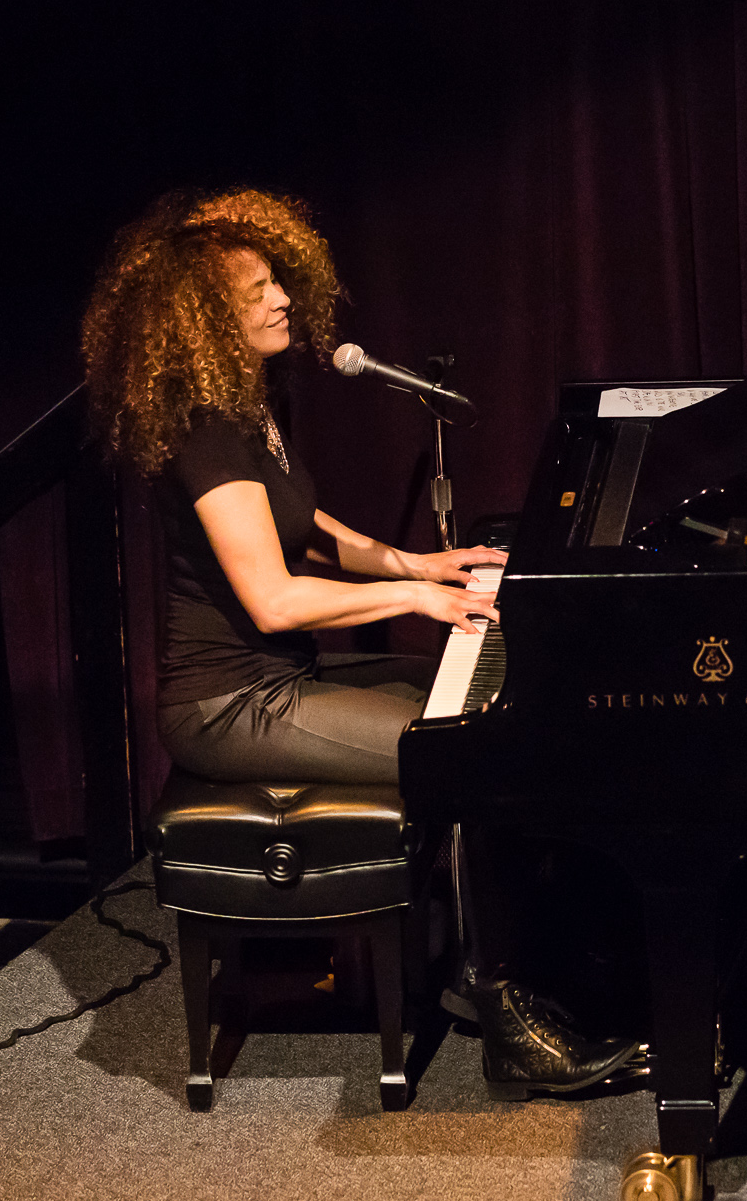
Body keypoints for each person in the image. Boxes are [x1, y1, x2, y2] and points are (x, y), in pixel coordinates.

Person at [80, 187, 639, 1098]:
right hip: (230, 704)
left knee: (474, 701)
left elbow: (306, 527)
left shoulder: (252, 403)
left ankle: (533, 960)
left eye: (276, 281)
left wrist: (419, 557)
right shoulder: (203, 425)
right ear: (200, 318)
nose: (281, 300)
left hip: (278, 679)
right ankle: (512, 1020)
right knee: (474, 751)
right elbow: (271, 598)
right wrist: (414, 593)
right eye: (254, 290)